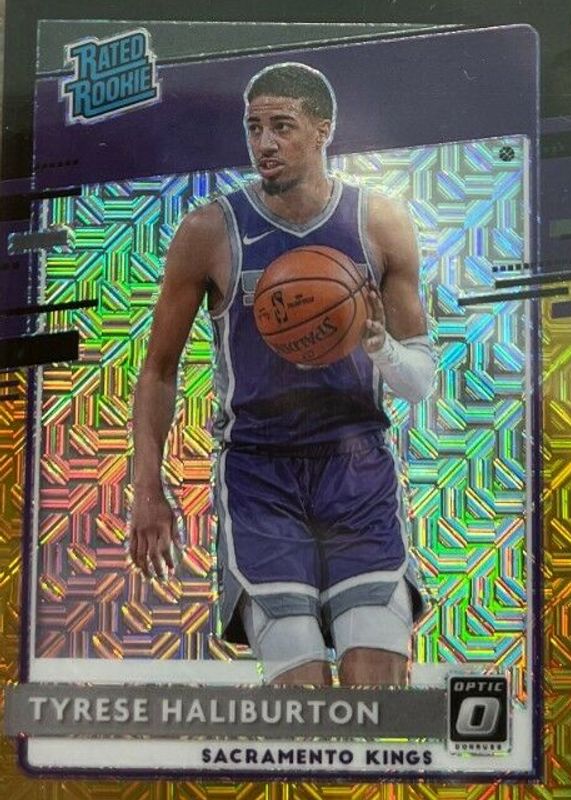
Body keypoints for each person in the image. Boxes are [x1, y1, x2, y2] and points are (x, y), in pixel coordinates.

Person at [129, 62, 436, 688]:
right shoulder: (208, 231)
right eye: (254, 128)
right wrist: (146, 488)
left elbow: (421, 382)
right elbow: (158, 369)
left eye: (282, 126)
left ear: (323, 130)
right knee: (301, 695)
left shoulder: (378, 222)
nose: (264, 143)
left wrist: (380, 346)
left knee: (377, 688)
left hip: (357, 468)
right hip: (258, 474)